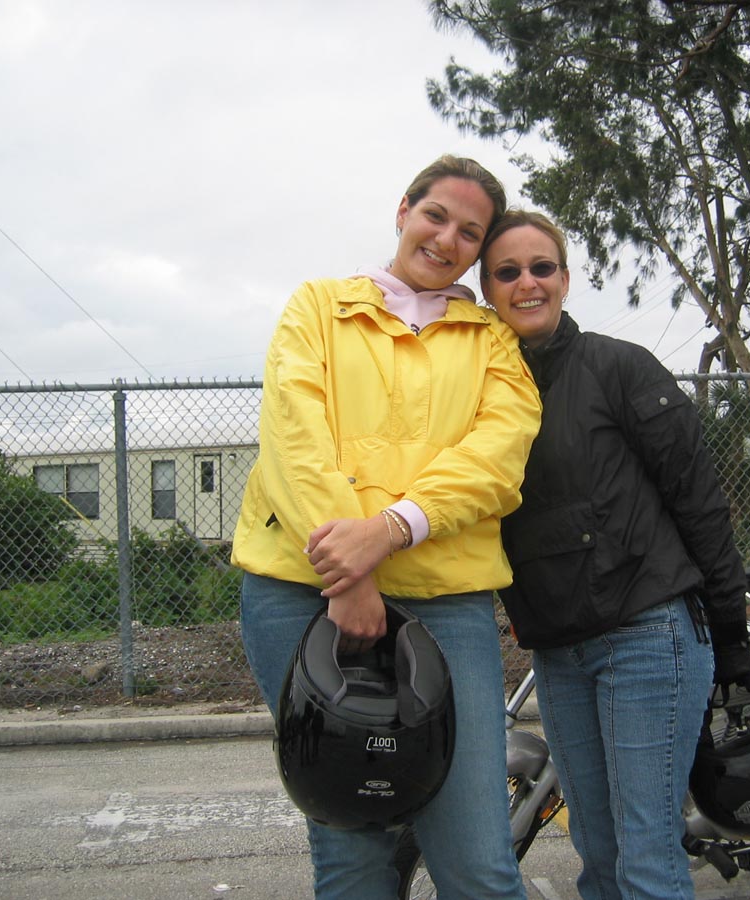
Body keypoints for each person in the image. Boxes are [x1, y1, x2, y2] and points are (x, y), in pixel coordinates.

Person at [231, 155, 541, 900]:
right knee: (351, 845)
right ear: (403, 211)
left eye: (470, 232)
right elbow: (296, 440)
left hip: (445, 604)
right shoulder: (317, 308)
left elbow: (498, 456)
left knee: (476, 856)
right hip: (302, 592)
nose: (446, 239)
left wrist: (392, 529)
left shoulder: (493, 342)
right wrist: (350, 574)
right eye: (435, 216)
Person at [479, 210, 750, 900]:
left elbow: (699, 501)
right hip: (558, 652)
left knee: (645, 853)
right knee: (598, 851)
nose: (527, 282)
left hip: (647, 635)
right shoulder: (482, 391)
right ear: (486, 290)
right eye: (507, 272)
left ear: (565, 278)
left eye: (541, 267)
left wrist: (730, 631)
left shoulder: (620, 368)